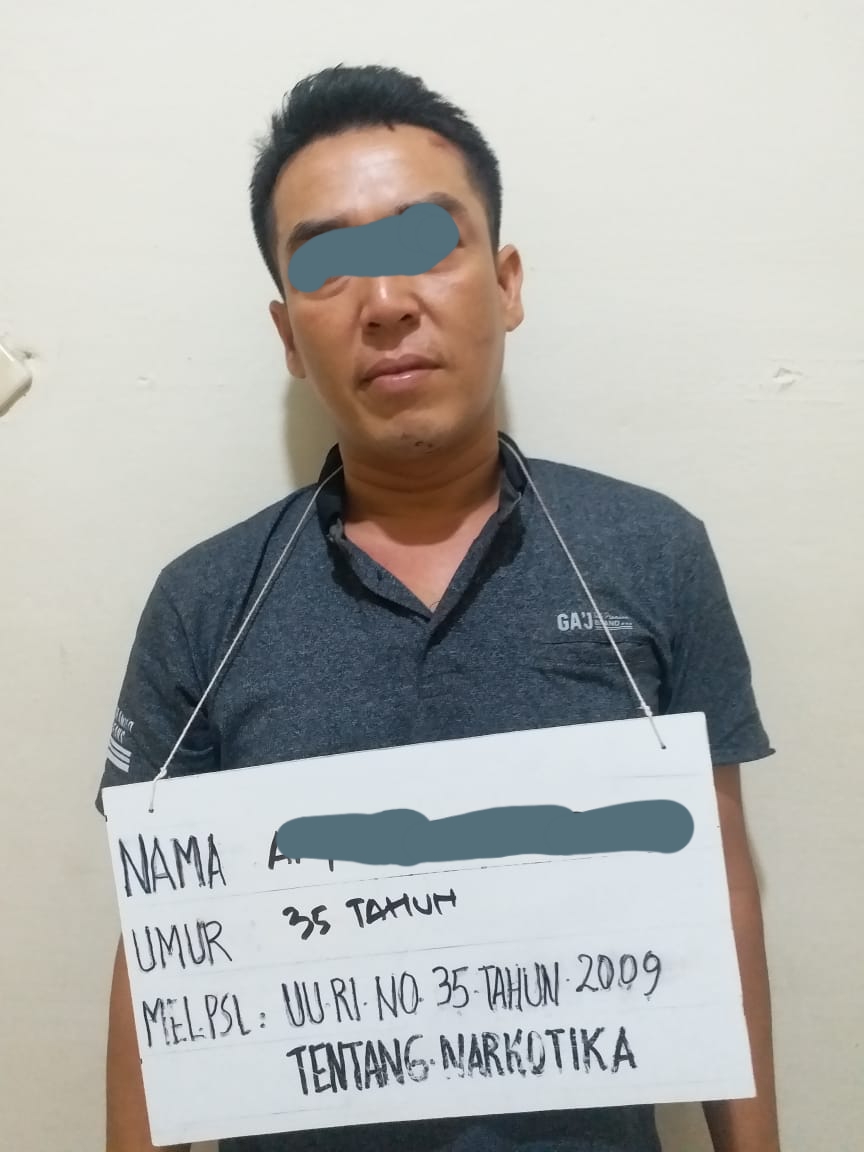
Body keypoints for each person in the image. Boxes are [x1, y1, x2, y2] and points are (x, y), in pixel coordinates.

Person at [98, 64, 780, 1152]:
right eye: (328, 267)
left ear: (506, 284)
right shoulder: (203, 603)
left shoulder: (652, 554)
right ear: (288, 336)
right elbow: (162, 958)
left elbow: (720, 890)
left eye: (425, 243)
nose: (385, 303)